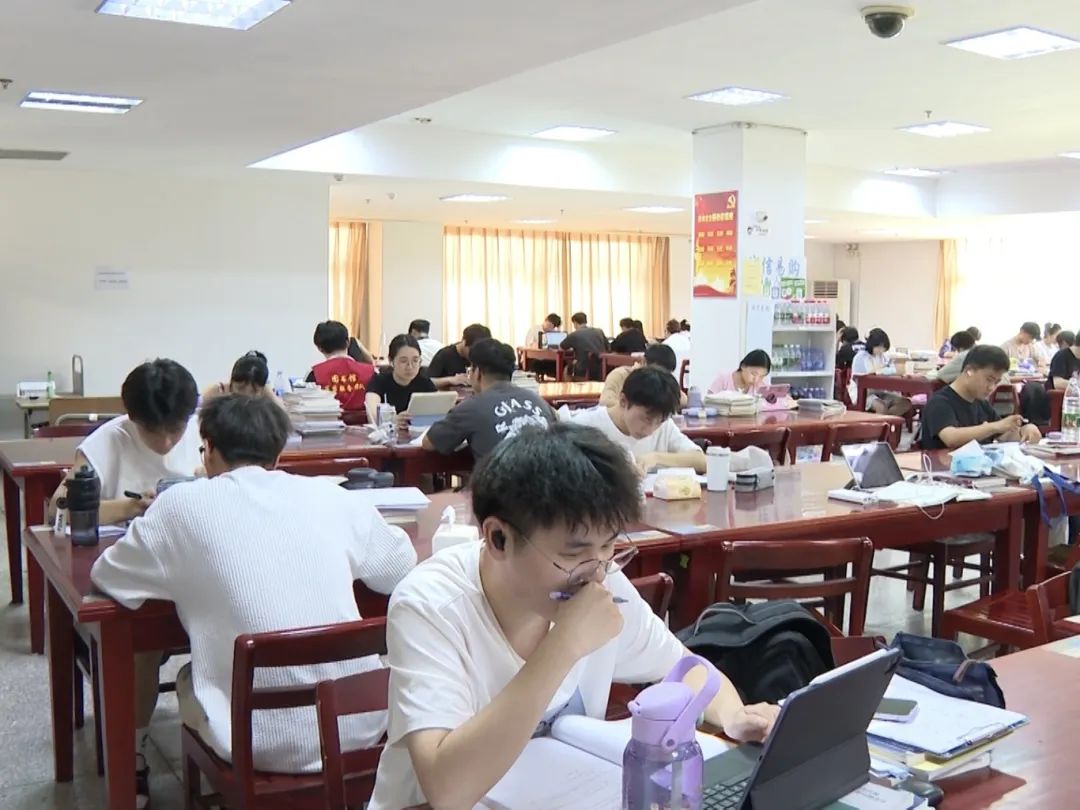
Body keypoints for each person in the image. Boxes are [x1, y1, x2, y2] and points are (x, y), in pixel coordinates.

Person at [368, 423, 778, 810]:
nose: (597, 571)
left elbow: (686, 668)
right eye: (573, 552)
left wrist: (734, 715)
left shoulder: (600, 577)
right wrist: (563, 644)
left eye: (609, 546)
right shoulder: (430, 605)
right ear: (498, 538)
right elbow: (447, 791)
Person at [90, 395, 417, 806]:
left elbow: (108, 576)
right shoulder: (333, 497)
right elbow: (401, 567)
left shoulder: (179, 506)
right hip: (357, 726)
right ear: (278, 454)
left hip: (251, 740)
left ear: (209, 450)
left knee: (194, 676)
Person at [49, 359, 201, 526]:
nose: (166, 443)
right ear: (133, 418)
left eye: (176, 430)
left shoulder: (204, 433)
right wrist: (131, 508)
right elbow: (58, 508)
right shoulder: (106, 441)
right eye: (152, 432)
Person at [423, 338, 556, 460]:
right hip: (551, 477)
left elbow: (428, 443)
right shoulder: (538, 401)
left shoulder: (471, 407)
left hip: (502, 478)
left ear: (477, 372)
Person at [574, 366, 705, 474]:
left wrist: (656, 458)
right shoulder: (584, 426)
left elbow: (702, 461)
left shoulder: (664, 425)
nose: (650, 430)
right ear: (623, 401)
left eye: (659, 422)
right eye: (646, 419)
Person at [920, 346, 1041, 450]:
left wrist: (1024, 431)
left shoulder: (982, 404)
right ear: (969, 371)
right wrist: (993, 427)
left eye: (996, 382)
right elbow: (951, 438)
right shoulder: (940, 402)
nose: (991, 387)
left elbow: (1004, 436)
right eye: (989, 379)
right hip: (942, 467)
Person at [365, 334, 437, 424]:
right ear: (391, 361)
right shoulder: (379, 381)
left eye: (415, 360)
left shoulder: (425, 382)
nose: (410, 367)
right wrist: (393, 420)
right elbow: (372, 415)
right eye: (403, 361)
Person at [306, 320, 376, 411]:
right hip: (365, 420)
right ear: (348, 342)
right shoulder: (371, 372)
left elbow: (306, 408)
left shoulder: (314, 374)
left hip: (328, 420)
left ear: (319, 348)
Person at [600, 343, 688, 408]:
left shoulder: (665, 380)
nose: (660, 377)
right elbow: (605, 401)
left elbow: (683, 400)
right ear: (643, 362)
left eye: (666, 373)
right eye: (656, 372)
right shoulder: (620, 375)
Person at [851, 330, 911, 416]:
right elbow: (861, 378)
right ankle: (884, 422)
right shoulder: (861, 357)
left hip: (881, 392)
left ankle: (887, 420)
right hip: (864, 394)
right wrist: (881, 371)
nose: (881, 350)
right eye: (879, 347)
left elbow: (892, 369)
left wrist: (886, 371)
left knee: (905, 403)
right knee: (881, 406)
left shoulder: (883, 357)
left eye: (883, 348)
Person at [201, 350, 281, 403]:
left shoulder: (265, 394)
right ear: (231, 381)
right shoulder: (217, 391)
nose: (246, 395)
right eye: (240, 388)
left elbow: (281, 415)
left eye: (254, 391)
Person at [428, 323, 492, 389]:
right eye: (472, 350)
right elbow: (427, 382)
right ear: (464, 342)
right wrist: (450, 380)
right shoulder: (444, 354)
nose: (475, 355)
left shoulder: (484, 355)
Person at [560, 312, 609, 380]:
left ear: (575, 323)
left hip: (583, 367)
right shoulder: (599, 331)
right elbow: (607, 346)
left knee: (566, 369)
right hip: (602, 367)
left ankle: (568, 386)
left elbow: (562, 347)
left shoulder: (574, 334)